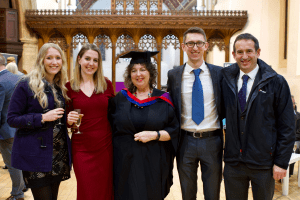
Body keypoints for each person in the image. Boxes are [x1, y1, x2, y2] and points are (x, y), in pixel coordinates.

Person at [220, 33, 295, 200]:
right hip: (234, 163)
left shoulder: (276, 82)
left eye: (249, 51)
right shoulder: (225, 80)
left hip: (263, 163)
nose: (244, 56)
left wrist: (281, 162)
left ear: (258, 52)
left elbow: (287, 125)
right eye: (240, 52)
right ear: (234, 55)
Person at [109, 51, 179, 200]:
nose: (138, 74)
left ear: (150, 72)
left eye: (142, 69)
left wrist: (154, 135)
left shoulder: (163, 100)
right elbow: (108, 126)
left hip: (153, 163)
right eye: (134, 70)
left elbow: (174, 131)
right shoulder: (120, 98)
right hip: (125, 164)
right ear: (129, 75)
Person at [7, 43, 72, 200]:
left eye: (57, 58)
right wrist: (41, 117)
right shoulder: (25, 84)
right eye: (49, 58)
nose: (54, 62)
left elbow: (58, 118)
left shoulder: (59, 87)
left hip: (57, 154)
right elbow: (12, 118)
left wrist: (68, 119)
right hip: (35, 155)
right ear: (41, 60)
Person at [167, 27, 223, 200]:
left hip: (212, 141)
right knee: (187, 192)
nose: (195, 47)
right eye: (190, 43)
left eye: (199, 43)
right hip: (185, 141)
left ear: (206, 45)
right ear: (183, 46)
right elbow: (171, 107)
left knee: (213, 192)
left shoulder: (219, 73)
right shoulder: (174, 75)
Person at [66, 43, 114, 200]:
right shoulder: (68, 87)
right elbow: (65, 118)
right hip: (81, 147)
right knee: (86, 190)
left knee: (105, 190)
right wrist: (68, 120)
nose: (91, 63)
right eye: (87, 58)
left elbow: (115, 114)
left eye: (95, 60)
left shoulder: (106, 85)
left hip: (105, 146)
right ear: (79, 59)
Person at [0, 53, 26, 200]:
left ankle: (17, 194)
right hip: (19, 126)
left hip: (6, 130)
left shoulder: (0, 81)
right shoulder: (18, 77)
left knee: (12, 164)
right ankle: (22, 186)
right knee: (19, 161)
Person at [289, 95, 300, 176]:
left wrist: (295, 137)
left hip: (296, 139)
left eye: (294, 103)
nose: (293, 105)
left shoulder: (298, 115)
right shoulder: (283, 114)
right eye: (291, 103)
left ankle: (290, 172)